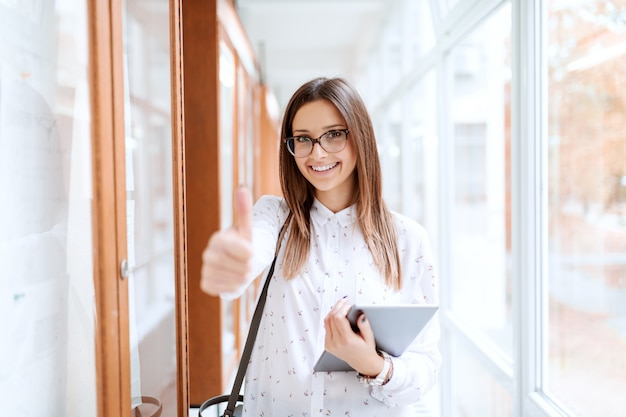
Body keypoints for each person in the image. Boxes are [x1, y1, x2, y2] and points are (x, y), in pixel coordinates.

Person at [201, 77, 441, 416]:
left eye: (333, 134)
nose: (317, 153)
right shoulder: (275, 217)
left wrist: (373, 365)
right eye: (303, 139)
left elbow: (426, 367)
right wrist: (234, 263)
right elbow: (250, 251)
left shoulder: (407, 239)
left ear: (360, 136)